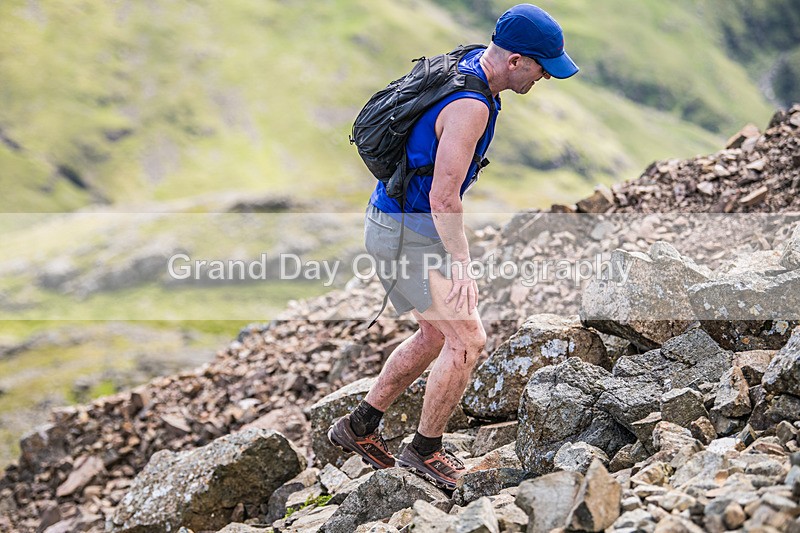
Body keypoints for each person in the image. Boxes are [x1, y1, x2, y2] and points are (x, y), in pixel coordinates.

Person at [328, 3, 579, 490]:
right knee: (468, 339)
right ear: (515, 61)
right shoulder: (471, 106)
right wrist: (462, 264)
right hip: (408, 234)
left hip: (393, 221)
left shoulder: (469, 61)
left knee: (434, 334)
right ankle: (425, 451)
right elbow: (444, 197)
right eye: (542, 67)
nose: (546, 77)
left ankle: (358, 427)